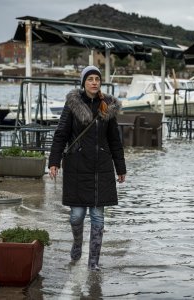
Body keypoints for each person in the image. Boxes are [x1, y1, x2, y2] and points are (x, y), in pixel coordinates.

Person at [48, 65, 126, 270]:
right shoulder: (72, 105)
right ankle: (76, 243)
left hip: (101, 167)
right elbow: (61, 135)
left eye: (97, 79)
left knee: (98, 217)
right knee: (77, 216)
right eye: (90, 79)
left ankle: (93, 262)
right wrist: (54, 162)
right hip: (77, 166)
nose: (94, 82)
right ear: (83, 83)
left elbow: (114, 140)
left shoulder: (106, 106)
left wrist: (120, 168)